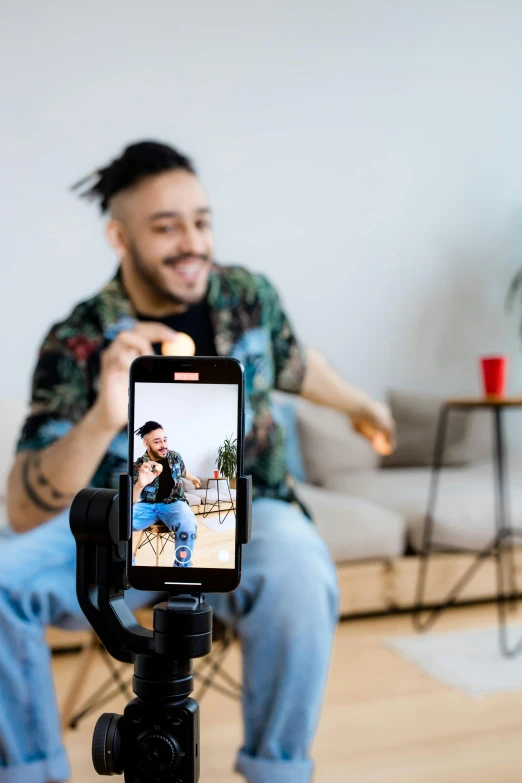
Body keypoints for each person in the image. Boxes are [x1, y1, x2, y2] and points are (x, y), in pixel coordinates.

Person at [1, 140, 394, 783]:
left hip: (250, 512)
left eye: (201, 220)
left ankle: (277, 772)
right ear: (119, 237)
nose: (192, 242)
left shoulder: (245, 295)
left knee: (302, 571)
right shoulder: (79, 336)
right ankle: (31, 774)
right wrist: (105, 413)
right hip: (122, 525)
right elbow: (22, 508)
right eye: (166, 227)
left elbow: (297, 363)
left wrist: (365, 408)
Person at [132, 420, 199, 567]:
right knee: (117, 522)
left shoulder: (174, 456)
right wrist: (140, 485)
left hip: (174, 503)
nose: (163, 445)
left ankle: (182, 571)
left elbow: (182, 470)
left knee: (189, 524)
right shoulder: (138, 466)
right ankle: (129, 570)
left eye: (165, 440)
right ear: (146, 444)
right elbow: (131, 499)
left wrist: (193, 478)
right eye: (157, 442)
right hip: (146, 506)